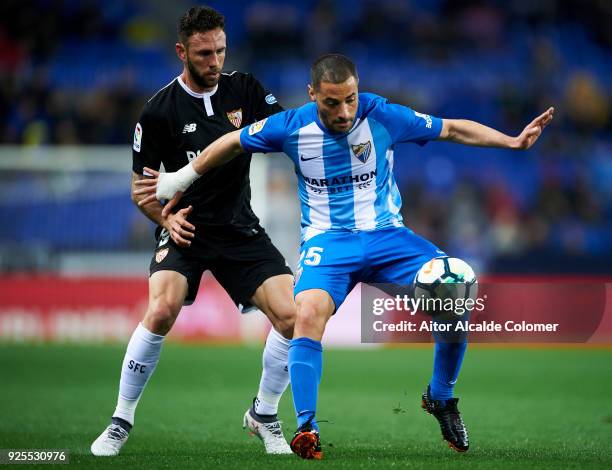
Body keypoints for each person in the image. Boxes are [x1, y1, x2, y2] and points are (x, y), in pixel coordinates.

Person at [134, 54, 554, 460]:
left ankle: (440, 397)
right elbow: (230, 141)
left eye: (350, 99)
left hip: (389, 236)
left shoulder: (383, 114)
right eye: (332, 102)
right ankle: (307, 426)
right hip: (329, 243)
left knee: (457, 288)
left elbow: (453, 130)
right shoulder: (290, 126)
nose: (344, 110)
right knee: (307, 311)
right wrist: (182, 177)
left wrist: (512, 141)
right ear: (312, 94)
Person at [91, 6, 297, 457]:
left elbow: (286, 132)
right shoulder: (159, 110)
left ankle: (263, 414)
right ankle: (120, 420)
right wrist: (164, 219)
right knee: (162, 308)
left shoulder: (245, 89)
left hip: (240, 228)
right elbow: (139, 189)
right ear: (182, 51)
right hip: (185, 228)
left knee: (291, 317)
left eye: (221, 50)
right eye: (205, 53)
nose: (215, 61)